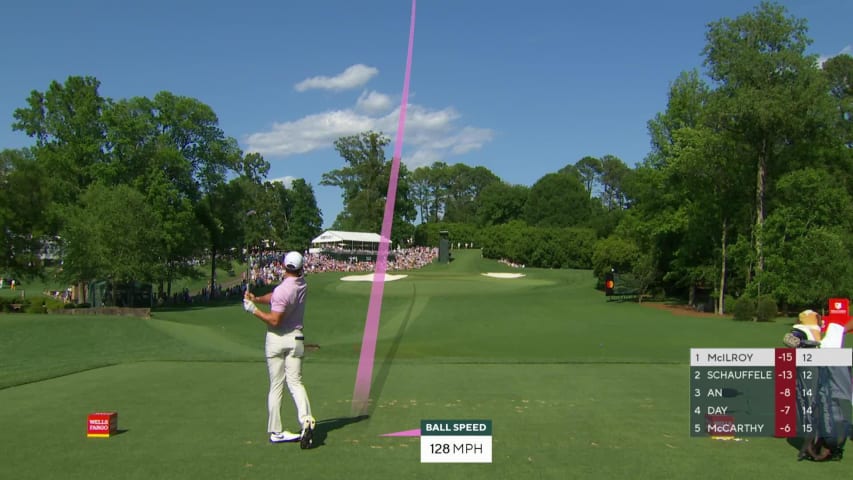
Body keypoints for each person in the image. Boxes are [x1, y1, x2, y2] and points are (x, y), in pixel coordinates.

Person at [243, 251, 316, 448]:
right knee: (295, 382)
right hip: (296, 339)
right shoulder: (302, 284)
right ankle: (306, 418)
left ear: (284, 266)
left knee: (276, 385)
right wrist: (257, 298)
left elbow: (275, 319)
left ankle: (276, 432)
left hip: (276, 340)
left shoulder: (284, 290)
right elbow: (275, 298)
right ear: (301, 268)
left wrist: (253, 310)